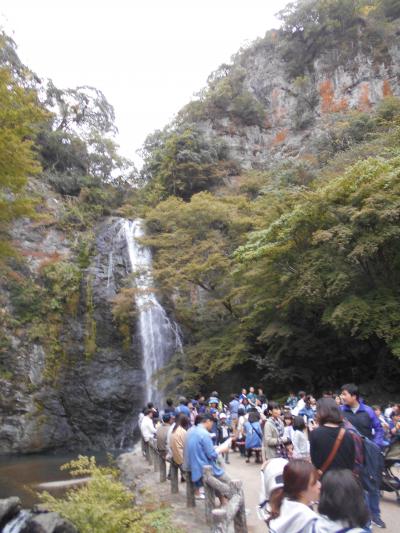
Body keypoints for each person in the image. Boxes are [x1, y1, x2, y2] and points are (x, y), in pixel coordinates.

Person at [341, 384, 385, 528]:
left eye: (344, 394)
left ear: (354, 396)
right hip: (349, 455)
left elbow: (378, 429)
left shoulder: (368, 411)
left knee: (372, 486)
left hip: (367, 454)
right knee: (352, 487)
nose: (342, 397)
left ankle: (375, 515)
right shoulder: (341, 411)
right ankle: (358, 517)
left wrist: (376, 445)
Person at [184, 413, 230, 500]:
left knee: (218, 483)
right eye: (212, 423)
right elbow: (211, 455)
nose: (212, 426)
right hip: (206, 467)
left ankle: (224, 502)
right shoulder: (204, 434)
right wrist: (221, 449)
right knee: (230, 483)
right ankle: (237, 506)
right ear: (208, 421)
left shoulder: (192, 431)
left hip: (194, 466)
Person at [267, 459, 320, 533]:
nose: (319, 485)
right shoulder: (309, 521)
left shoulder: (284, 507)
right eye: (314, 483)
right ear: (301, 489)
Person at [310, 398, 355, 473]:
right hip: (346, 479)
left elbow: (315, 461)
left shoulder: (315, 434)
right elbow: (351, 461)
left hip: (326, 480)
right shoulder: (348, 434)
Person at [170, 414, 189, 481]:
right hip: (181, 458)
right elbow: (187, 445)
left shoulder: (173, 430)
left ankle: (182, 476)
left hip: (175, 456)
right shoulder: (182, 431)